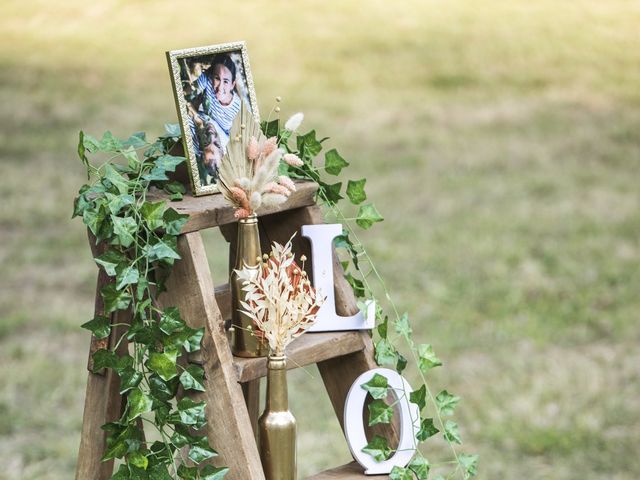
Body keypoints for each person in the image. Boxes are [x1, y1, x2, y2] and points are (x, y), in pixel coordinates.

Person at [195, 54, 242, 151]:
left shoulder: (238, 108)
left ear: (232, 85)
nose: (220, 87)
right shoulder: (208, 80)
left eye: (225, 81)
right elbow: (188, 92)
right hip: (207, 123)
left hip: (225, 140)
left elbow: (238, 138)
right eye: (217, 78)